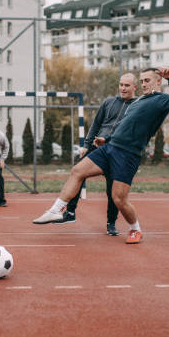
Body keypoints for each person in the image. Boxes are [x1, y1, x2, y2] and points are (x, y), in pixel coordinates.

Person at [33, 67, 169, 244]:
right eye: (142, 81)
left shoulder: (162, 100)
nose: (144, 84)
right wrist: (107, 139)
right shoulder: (136, 102)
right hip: (110, 147)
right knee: (77, 171)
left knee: (118, 199)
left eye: (147, 80)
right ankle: (56, 210)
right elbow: (123, 125)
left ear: (158, 82)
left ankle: (135, 229)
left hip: (128, 155)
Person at [58, 73, 138, 236]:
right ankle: (70, 212)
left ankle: (111, 223)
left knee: (112, 191)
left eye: (127, 85)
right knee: (78, 173)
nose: (123, 88)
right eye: (121, 84)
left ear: (134, 87)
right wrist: (87, 145)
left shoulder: (137, 106)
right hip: (98, 146)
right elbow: (96, 124)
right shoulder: (108, 102)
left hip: (117, 150)